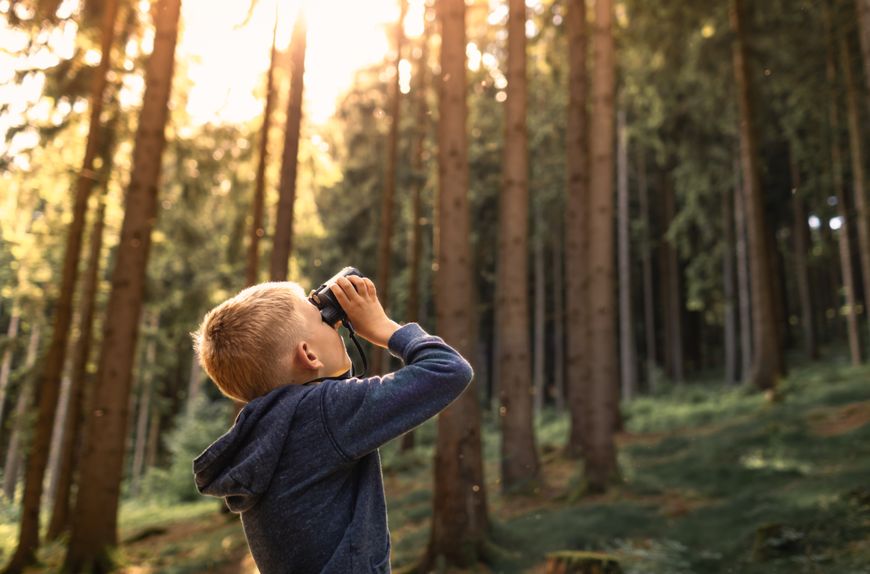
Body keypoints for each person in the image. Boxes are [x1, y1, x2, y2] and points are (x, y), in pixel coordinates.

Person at [191, 275, 473, 573]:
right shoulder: (324, 412)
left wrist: (322, 334)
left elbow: (330, 389)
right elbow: (449, 370)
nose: (335, 324)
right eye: (324, 319)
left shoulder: (267, 430)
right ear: (308, 355)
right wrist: (383, 327)